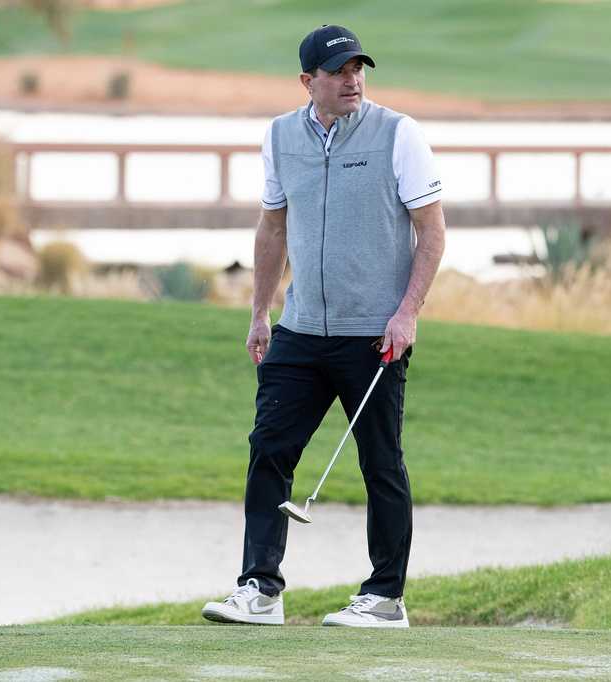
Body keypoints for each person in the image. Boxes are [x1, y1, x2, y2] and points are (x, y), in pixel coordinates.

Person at [202, 24, 446, 628]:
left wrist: (407, 312)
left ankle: (385, 597)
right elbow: (273, 229)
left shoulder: (399, 134)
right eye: (338, 72)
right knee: (268, 451)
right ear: (308, 81)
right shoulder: (282, 136)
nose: (352, 80)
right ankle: (259, 589)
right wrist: (261, 313)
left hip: (374, 334)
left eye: (358, 68)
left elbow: (432, 232)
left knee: (381, 463)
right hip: (301, 328)